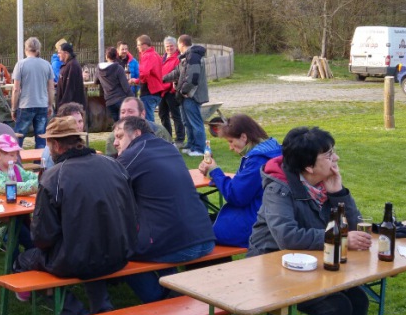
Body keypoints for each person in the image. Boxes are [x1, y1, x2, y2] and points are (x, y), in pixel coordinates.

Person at [247, 126, 373, 315]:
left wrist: (339, 194)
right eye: (328, 155)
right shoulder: (279, 188)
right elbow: (287, 237)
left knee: (358, 298)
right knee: (336, 307)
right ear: (308, 167)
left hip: (309, 264)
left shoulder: (323, 185)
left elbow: (356, 224)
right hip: (271, 267)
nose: (336, 159)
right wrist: (338, 237)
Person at [15, 116, 136, 315]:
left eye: (49, 144)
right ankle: (101, 308)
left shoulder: (54, 176)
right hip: (120, 251)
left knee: (23, 262)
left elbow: (42, 237)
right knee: (87, 248)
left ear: (57, 145)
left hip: (80, 258)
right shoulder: (113, 165)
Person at [114, 116, 215, 302]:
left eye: (120, 136)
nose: (115, 142)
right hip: (205, 237)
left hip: (178, 246)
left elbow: (106, 191)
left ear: (136, 134)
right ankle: (173, 287)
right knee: (155, 232)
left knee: (116, 252)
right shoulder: (168, 147)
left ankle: (161, 300)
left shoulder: (133, 154)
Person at [199, 114, 282, 247]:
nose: (230, 147)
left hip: (255, 223)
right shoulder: (272, 149)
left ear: (244, 137)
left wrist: (215, 171)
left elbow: (236, 196)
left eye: (231, 141)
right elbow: (244, 186)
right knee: (205, 226)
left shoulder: (257, 160)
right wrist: (216, 176)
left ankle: (212, 267)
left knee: (200, 234)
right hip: (268, 217)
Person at [0, 133, 38, 259]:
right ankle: (18, 262)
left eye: (16, 155)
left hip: (15, 217)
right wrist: (40, 183)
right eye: (11, 155)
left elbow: (29, 176)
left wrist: (42, 176)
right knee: (16, 230)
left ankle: (31, 255)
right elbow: (14, 188)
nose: (15, 158)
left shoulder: (14, 168)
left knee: (22, 227)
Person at [163, 35, 209, 157]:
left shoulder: (193, 57)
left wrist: (183, 91)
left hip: (191, 95)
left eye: (178, 44)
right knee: (186, 122)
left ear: (181, 44)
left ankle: (199, 149)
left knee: (195, 122)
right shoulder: (187, 57)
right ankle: (191, 144)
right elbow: (177, 72)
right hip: (185, 96)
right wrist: (161, 79)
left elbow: (193, 78)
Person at [11, 37, 55, 149]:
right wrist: (50, 104)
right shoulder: (47, 65)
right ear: (38, 49)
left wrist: (13, 108)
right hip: (42, 104)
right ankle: (41, 164)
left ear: (26, 49)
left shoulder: (20, 65)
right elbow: (51, 88)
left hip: (25, 104)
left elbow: (16, 89)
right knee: (41, 138)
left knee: (18, 137)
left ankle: (15, 162)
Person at [104, 97, 172, 158]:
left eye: (130, 111)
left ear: (142, 114)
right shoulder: (114, 138)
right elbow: (112, 165)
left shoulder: (159, 132)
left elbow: (170, 156)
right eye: (123, 112)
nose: (126, 115)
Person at [158, 36, 185, 147]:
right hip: (161, 91)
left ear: (175, 46)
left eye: (171, 46)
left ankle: (180, 139)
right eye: (167, 46)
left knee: (176, 115)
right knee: (163, 115)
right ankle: (167, 137)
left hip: (172, 91)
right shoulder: (162, 58)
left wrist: (173, 86)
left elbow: (178, 74)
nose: (169, 48)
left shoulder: (178, 58)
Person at [41, 102, 85, 170]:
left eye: (80, 121)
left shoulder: (77, 148)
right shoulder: (52, 152)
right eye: (74, 122)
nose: (78, 126)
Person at [132, 35, 164, 123]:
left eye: (138, 45)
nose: (137, 47)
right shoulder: (156, 55)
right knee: (149, 117)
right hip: (157, 91)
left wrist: (138, 80)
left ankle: (150, 136)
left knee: (148, 120)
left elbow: (145, 73)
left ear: (144, 45)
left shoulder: (147, 56)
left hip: (149, 90)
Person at [97, 46, 132, 121]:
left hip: (109, 101)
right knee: (125, 123)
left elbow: (95, 81)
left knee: (117, 124)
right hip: (120, 99)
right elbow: (125, 86)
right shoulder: (118, 68)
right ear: (116, 56)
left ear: (106, 56)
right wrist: (132, 97)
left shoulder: (99, 69)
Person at [55, 42, 86, 114]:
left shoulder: (72, 66)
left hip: (71, 109)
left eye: (59, 53)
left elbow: (70, 88)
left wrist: (63, 107)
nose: (58, 55)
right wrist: (57, 84)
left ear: (66, 53)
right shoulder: (68, 65)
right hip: (69, 107)